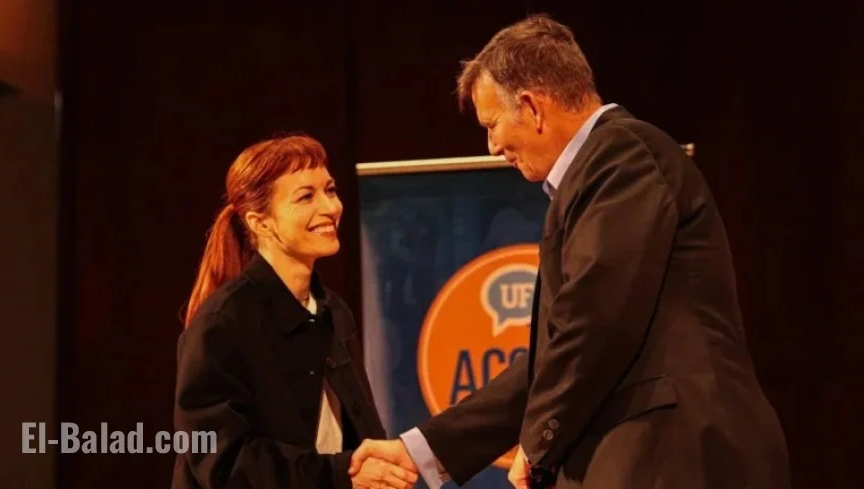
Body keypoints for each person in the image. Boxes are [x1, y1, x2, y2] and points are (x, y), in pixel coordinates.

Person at [349, 14, 791, 489]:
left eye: (492, 125)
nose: (493, 146)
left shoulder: (622, 155)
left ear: (532, 108)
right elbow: (553, 360)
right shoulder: (602, 169)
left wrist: (539, 440)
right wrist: (421, 450)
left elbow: (594, 322)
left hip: (679, 458)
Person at [170, 134, 419, 489]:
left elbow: (359, 433)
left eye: (330, 190)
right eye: (306, 197)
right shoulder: (222, 323)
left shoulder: (333, 311)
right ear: (260, 222)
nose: (330, 207)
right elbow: (221, 461)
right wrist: (340, 474)